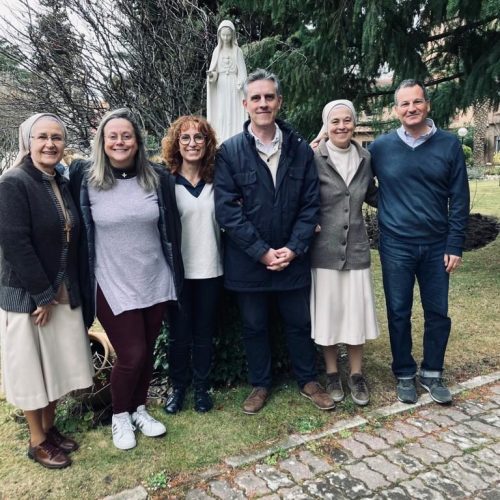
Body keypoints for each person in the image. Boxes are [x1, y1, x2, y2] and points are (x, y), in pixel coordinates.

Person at [214, 69, 335, 414]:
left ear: (279, 101)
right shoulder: (230, 152)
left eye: (269, 97)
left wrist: (293, 249)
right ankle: (260, 385)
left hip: (292, 259)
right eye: (256, 98)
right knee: (254, 326)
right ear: (245, 104)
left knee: (299, 323)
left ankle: (308, 380)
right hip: (249, 262)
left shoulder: (299, 150)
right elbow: (228, 212)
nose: (263, 103)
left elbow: (310, 205)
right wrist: (262, 252)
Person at [68, 108, 183, 450]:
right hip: (111, 281)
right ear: (102, 142)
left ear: (137, 141)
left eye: (127, 135)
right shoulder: (84, 178)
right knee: (132, 354)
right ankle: (120, 416)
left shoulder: (156, 177)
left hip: (154, 278)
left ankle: (139, 409)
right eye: (113, 136)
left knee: (146, 351)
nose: (120, 142)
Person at [0, 113, 94, 469]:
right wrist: (42, 295)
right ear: (28, 141)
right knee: (32, 370)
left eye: (56, 137)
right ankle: (37, 440)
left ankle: (50, 428)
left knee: (56, 365)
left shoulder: (60, 181)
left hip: (61, 291)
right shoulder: (13, 182)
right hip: (29, 298)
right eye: (42, 137)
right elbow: (15, 244)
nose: (50, 144)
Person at [369, 79, 470, 405]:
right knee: (398, 311)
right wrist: (389, 203)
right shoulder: (380, 148)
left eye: (417, 102)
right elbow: (358, 182)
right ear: (396, 110)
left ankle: (432, 373)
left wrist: (455, 244)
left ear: (427, 105)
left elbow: (460, 198)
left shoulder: (449, 145)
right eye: (404, 104)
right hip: (396, 245)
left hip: (437, 245)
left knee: (437, 312)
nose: (411, 109)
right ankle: (403, 373)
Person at [310, 100, 379, 406]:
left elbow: (375, 194)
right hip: (323, 250)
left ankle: (356, 374)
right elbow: (302, 196)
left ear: (354, 123)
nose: (341, 126)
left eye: (347, 120)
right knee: (328, 314)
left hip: (356, 248)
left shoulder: (365, 157)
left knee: (355, 313)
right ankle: (331, 373)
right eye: (335, 121)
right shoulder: (314, 157)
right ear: (326, 125)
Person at [161, 116, 222, 414]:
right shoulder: (166, 183)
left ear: (207, 143)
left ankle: (201, 388)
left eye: (199, 137)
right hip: (178, 272)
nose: (192, 143)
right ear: (176, 144)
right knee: (178, 335)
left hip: (211, 269)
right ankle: (178, 388)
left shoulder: (218, 181)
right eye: (185, 138)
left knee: (203, 334)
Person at [207, 19, 247, 143]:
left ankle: (235, 137)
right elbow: (214, 71)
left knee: (234, 110)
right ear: (219, 35)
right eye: (223, 35)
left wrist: (241, 81)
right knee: (222, 112)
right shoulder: (217, 51)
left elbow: (242, 71)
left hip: (234, 84)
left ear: (232, 35)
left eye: (228, 35)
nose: (225, 38)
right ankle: (221, 137)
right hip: (222, 84)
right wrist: (212, 76)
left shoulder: (237, 51)